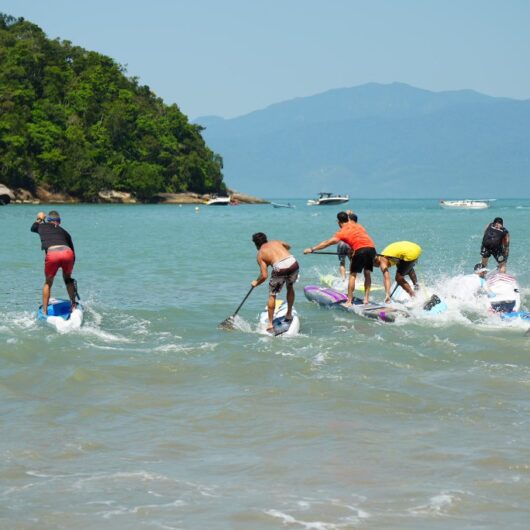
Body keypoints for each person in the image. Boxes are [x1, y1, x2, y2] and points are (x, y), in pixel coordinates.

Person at [304, 211, 376, 305]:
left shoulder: (341, 233)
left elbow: (327, 243)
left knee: (353, 275)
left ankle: (349, 301)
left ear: (338, 222)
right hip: (372, 248)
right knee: (367, 273)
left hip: (360, 250)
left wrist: (312, 249)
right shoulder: (356, 225)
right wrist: (349, 213)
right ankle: (366, 299)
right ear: (348, 219)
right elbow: (350, 219)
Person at [251, 232, 299, 332]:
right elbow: (288, 246)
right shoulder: (276, 242)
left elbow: (264, 276)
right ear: (266, 239)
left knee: (272, 295)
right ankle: (289, 314)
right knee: (290, 287)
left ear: (256, 244)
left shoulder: (260, 254)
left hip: (280, 267)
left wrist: (256, 282)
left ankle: (269, 324)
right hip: (293, 262)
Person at [31, 210, 77, 315]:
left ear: (48, 220)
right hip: (68, 253)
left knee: (48, 282)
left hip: (53, 254)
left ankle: (45, 311)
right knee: (67, 280)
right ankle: (73, 306)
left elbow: (33, 228)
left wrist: (39, 218)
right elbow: (73, 253)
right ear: (59, 221)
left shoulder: (42, 226)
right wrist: (69, 275)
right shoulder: (65, 232)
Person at [336, 211, 357, 279]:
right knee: (352, 260)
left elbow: (344, 218)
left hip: (341, 243)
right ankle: (352, 278)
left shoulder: (342, 224)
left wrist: (347, 214)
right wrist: (350, 214)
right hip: (349, 243)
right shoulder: (352, 225)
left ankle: (343, 279)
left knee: (342, 262)